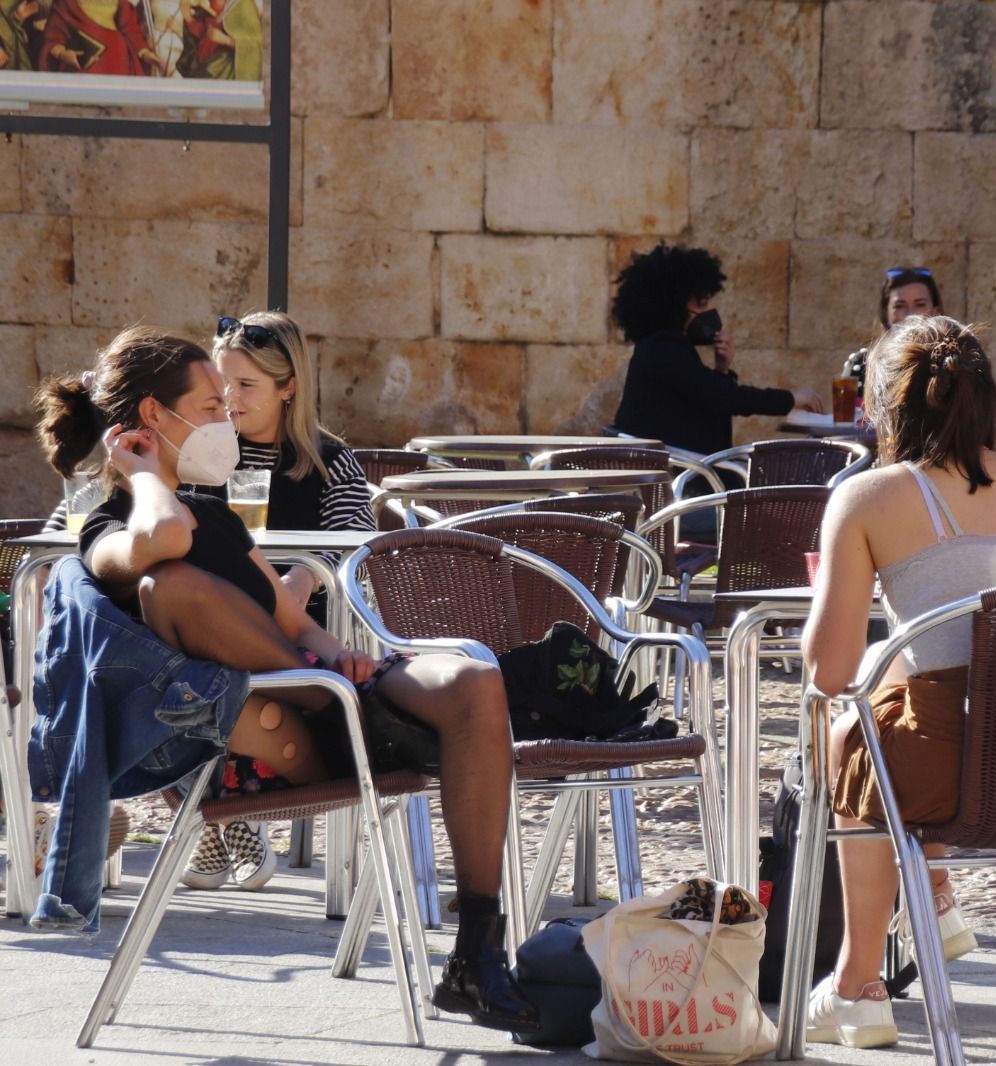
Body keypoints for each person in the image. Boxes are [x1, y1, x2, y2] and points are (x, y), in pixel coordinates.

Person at [33, 328, 539, 1035]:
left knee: (473, 680)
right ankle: (347, 703)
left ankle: (477, 957)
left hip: (330, 698)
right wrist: (144, 474)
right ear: (153, 418)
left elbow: (298, 624)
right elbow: (164, 545)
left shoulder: (217, 516)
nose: (226, 417)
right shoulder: (107, 530)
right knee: (173, 588)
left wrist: (341, 655)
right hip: (257, 741)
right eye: (211, 404)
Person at [800, 316, 996, 1048]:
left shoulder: (868, 498)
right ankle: (931, 900)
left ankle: (858, 981)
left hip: (948, 772)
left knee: (856, 733)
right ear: (989, 399)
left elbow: (828, 671)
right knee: (893, 710)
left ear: (884, 408)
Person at [172, 311, 377, 892]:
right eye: (223, 384)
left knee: (221, 671)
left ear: (289, 389)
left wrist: (303, 578)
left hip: (298, 632)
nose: (230, 400)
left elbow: (355, 547)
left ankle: (223, 824)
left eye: (246, 386)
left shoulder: (328, 461)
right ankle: (229, 825)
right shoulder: (204, 455)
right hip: (215, 620)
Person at [611, 244, 823, 456]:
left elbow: (707, 395)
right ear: (674, 306)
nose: (710, 310)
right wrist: (792, 398)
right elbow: (725, 398)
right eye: (702, 304)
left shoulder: (661, 347)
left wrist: (721, 370)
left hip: (687, 467)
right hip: (683, 474)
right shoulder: (663, 348)